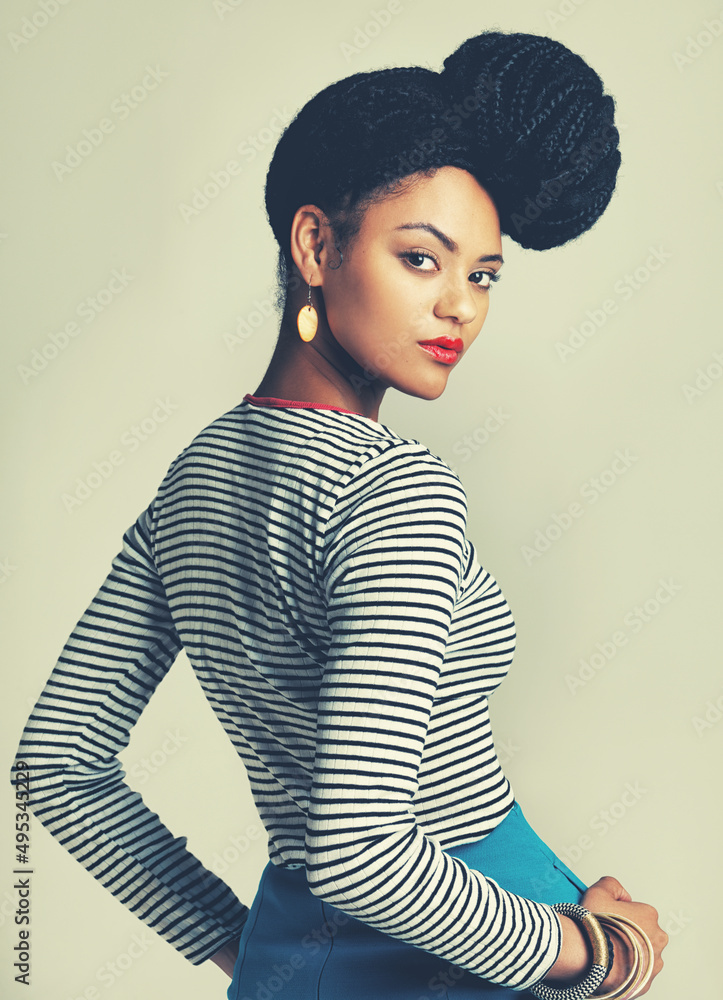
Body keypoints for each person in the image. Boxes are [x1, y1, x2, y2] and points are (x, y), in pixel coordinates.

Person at [13, 29, 668, 1000]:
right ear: (317, 243)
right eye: (421, 258)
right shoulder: (393, 488)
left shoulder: (194, 476)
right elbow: (363, 847)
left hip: (301, 955)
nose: (460, 308)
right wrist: (597, 955)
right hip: (472, 954)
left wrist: (259, 952)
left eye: (483, 274)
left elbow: (55, 762)